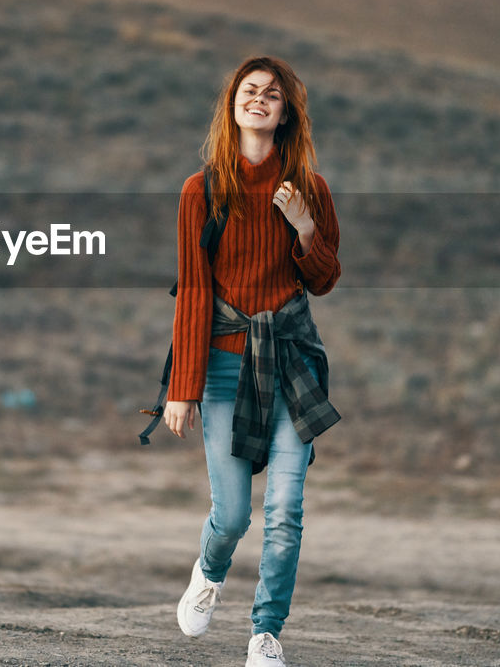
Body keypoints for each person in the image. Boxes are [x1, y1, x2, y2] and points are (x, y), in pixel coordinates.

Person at [165, 55, 342, 667]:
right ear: (233, 105)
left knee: (285, 511)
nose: (259, 99)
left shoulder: (311, 190)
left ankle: (266, 633)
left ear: (286, 111)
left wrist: (302, 230)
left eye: (272, 93)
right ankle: (209, 571)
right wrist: (181, 386)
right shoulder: (202, 190)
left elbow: (323, 280)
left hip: (292, 360)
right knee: (234, 512)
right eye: (249, 91)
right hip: (221, 365)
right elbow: (193, 290)